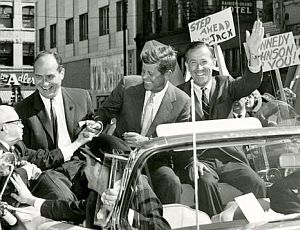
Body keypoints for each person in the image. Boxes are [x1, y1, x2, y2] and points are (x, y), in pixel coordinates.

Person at [176, 20, 266, 217]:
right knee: (205, 182)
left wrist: (254, 55)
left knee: (257, 183)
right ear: (187, 67)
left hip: (230, 158)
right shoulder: (179, 95)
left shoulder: (226, 85)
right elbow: (175, 137)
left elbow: (251, 82)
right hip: (200, 160)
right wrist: (191, 161)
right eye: (193, 63)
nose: (199, 68)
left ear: (214, 63)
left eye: (204, 62)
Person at [10, 135, 171, 230]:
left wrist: (123, 211)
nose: (84, 170)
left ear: (99, 168)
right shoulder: (97, 193)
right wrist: (30, 200)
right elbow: (72, 209)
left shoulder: (137, 187)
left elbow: (161, 227)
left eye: (86, 164)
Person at [95, 44, 190, 204]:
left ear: (167, 74)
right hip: (122, 158)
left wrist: (148, 143)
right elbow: (104, 112)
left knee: (171, 182)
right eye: (143, 71)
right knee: (139, 184)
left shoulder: (182, 101)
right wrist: (97, 124)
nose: (144, 76)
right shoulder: (127, 85)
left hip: (155, 160)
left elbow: (179, 143)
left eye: (150, 73)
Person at [14, 51, 102, 200]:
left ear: (62, 73)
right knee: (64, 200)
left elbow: (94, 129)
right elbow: (26, 155)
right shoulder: (22, 110)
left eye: (49, 77)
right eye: (38, 77)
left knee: (114, 189)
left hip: (81, 167)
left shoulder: (82, 97)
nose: (45, 84)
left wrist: (96, 127)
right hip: (47, 172)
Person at [0, 105, 95, 205]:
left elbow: (45, 158)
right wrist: (27, 171)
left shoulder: (18, 146)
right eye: (17, 122)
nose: (22, 125)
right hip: (10, 212)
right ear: (5, 128)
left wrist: (79, 142)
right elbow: (4, 185)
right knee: (58, 193)